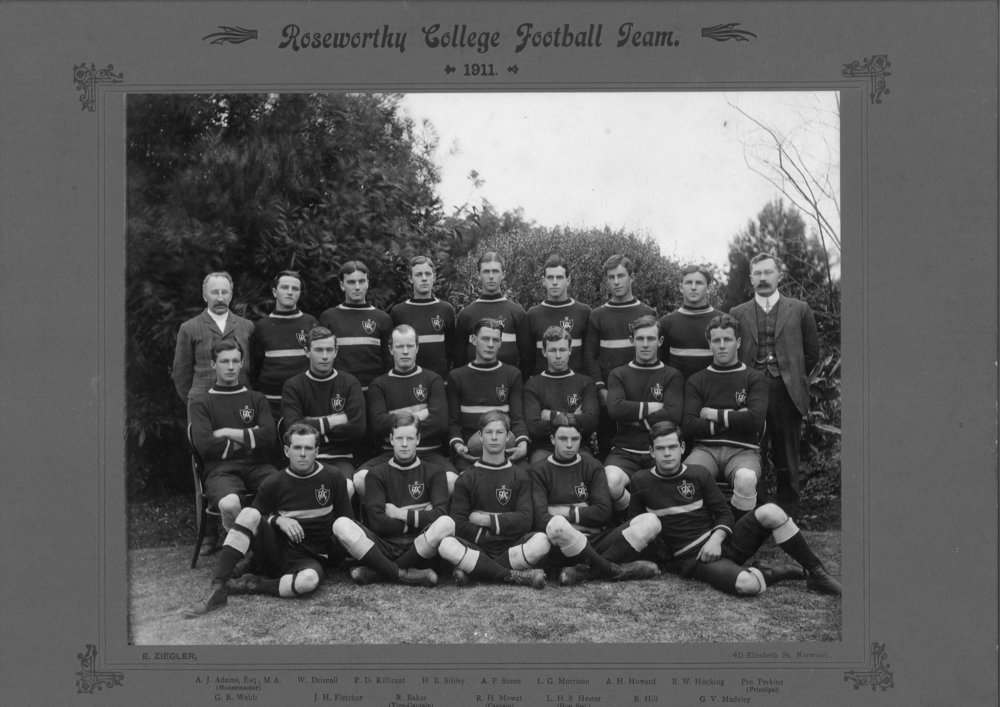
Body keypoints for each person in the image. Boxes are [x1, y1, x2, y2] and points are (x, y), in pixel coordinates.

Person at [628, 421, 841, 596]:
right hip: (697, 558)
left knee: (771, 511)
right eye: (660, 448)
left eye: (672, 447)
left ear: (682, 448)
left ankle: (817, 573)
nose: (667, 453)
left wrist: (716, 539)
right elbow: (636, 525)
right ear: (651, 451)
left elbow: (724, 514)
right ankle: (771, 573)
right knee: (748, 586)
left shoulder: (698, 473)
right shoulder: (641, 480)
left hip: (722, 543)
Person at [182, 423, 353, 617]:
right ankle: (218, 588)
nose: (302, 454)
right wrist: (277, 520)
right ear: (287, 451)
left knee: (308, 582)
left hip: (309, 560)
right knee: (249, 513)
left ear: (317, 451)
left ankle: (254, 584)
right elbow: (255, 518)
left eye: (308, 448)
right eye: (297, 447)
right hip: (275, 552)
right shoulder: (274, 482)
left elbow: (347, 521)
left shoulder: (333, 477)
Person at [728, 253, 820, 515]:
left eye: (768, 272)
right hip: (750, 392)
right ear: (751, 278)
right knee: (751, 455)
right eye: (757, 273)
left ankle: (788, 518)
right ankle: (757, 517)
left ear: (780, 275)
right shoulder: (737, 313)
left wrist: (796, 380)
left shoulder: (799, 310)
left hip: (786, 392)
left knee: (788, 457)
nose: (763, 278)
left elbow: (812, 355)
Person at [529, 413, 661, 586]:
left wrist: (567, 512)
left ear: (580, 438)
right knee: (557, 525)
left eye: (575, 439)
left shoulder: (592, 466)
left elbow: (603, 513)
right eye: (563, 439)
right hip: (562, 546)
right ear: (553, 439)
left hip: (596, 541)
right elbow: (542, 520)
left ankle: (586, 572)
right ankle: (613, 570)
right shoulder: (539, 471)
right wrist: (584, 519)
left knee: (651, 522)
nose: (569, 445)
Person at [332, 413, 453, 587]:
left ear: (418, 439)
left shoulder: (435, 472)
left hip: (419, 545)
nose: (404, 444)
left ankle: (380, 572)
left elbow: (441, 514)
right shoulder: (376, 474)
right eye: (399, 438)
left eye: (409, 438)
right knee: (341, 524)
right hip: (383, 545)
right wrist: (420, 515)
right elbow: (377, 524)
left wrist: (400, 514)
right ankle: (402, 574)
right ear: (391, 439)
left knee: (447, 523)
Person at [438, 411, 549, 588]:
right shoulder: (466, 478)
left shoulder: (520, 475)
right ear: (480, 436)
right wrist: (499, 529)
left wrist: (486, 520)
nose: (494, 437)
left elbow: (525, 520)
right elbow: (459, 524)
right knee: (446, 545)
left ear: (508, 436)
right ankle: (515, 576)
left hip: (510, 545)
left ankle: (475, 571)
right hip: (478, 546)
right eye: (489, 432)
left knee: (542, 541)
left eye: (500, 432)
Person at [188, 340, 279, 539]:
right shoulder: (201, 403)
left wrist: (225, 432)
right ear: (213, 364)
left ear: (242, 363)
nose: (230, 367)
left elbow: (269, 438)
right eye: (224, 361)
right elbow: (206, 446)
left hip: (258, 466)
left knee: (284, 489)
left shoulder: (256, 398)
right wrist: (250, 438)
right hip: (220, 470)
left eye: (235, 361)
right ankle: (244, 549)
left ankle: (272, 546)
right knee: (229, 505)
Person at [356, 325, 457, 500]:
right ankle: (382, 515)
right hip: (390, 454)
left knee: (451, 481)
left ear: (417, 348)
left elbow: (440, 423)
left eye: (409, 346)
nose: (405, 351)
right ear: (390, 349)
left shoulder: (432, 379)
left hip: (429, 453)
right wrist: (421, 415)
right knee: (360, 479)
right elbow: (378, 425)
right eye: (399, 346)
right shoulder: (379, 384)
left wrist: (395, 422)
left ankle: (431, 514)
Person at [683, 315, 769, 519]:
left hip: (744, 451)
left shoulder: (754, 378)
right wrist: (735, 417)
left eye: (727, 340)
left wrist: (713, 414)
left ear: (738, 342)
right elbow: (689, 424)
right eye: (716, 340)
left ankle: (738, 533)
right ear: (709, 344)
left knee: (746, 479)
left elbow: (755, 421)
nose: (722, 345)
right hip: (705, 449)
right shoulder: (697, 380)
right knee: (688, 476)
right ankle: (701, 532)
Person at [604, 315, 684, 513]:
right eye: (640, 338)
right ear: (632, 340)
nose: (645, 344)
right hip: (625, 450)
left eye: (651, 338)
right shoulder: (619, 374)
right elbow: (615, 409)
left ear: (660, 341)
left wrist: (633, 418)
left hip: (660, 450)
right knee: (609, 482)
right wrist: (653, 407)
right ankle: (632, 516)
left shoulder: (672, 375)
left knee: (668, 493)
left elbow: (673, 415)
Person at [582, 254, 656, 458]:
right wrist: (601, 390)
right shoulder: (598, 315)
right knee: (608, 452)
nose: (616, 282)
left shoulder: (646, 312)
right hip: (608, 397)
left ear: (632, 277)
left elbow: (653, 356)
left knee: (644, 450)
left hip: (640, 396)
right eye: (611, 277)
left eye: (621, 276)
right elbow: (590, 356)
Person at [280, 327, 365, 491]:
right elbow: (292, 428)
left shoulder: (349, 383)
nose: (325, 356)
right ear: (307, 352)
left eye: (329, 350)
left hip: (340, 458)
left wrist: (310, 426)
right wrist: (333, 421)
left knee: (346, 488)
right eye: (319, 350)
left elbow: (357, 429)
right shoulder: (293, 386)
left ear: (336, 351)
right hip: (303, 457)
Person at [446, 318, 530, 471]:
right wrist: (458, 446)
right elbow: (453, 422)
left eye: (495, 340)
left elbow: (517, 418)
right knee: (467, 480)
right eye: (485, 339)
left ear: (500, 343)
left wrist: (522, 445)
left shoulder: (512, 374)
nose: (490, 344)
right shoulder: (457, 377)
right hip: (470, 452)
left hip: (504, 450)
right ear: (473, 340)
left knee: (527, 475)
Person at [172, 271, 255, 411]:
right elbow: (181, 373)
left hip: (241, 403)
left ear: (231, 296)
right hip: (202, 405)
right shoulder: (189, 328)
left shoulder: (247, 326)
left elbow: (253, 369)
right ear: (205, 296)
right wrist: (196, 401)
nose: (220, 298)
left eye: (225, 292)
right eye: (215, 292)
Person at [523, 326, 599, 464]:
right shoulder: (533, 384)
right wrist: (574, 418)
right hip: (544, 448)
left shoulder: (585, 383)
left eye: (562, 350)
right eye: (552, 350)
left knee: (593, 467)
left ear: (570, 350)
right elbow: (533, 426)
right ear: (544, 352)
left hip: (578, 448)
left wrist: (553, 415)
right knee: (537, 468)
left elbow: (591, 421)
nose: (558, 356)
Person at [249, 270, 318, 419]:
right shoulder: (262, 326)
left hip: (305, 402)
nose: (290, 292)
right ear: (275, 292)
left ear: (300, 293)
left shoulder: (310, 322)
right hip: (271, 403)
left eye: (295, 289)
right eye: (285, 287)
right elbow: (255, 367)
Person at [453, 252, 532, 377]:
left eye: (495, 271)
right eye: (486, 271)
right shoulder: (466, 315)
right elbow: (459, 361)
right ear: (478, 275)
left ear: (503, 274)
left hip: (509, 385)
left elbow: (527, 359)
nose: (491, 276)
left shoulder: (517, 313)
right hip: (474, 384)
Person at [318, 260, 392, 391]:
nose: (357, 287)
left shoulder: (383, 319)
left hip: (373, 393)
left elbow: (389, 362)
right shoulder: (328, 317)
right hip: (338, 392)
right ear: (342, 285)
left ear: (367, 283)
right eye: (351, 282)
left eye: (361, 281)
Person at [388, 255, 456, 379]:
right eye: (419, 274)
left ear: (434, 277)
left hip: (439, 381)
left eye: (428, 274)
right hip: (408, 381)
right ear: (410, 279)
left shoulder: (446, 309)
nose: (424, 278)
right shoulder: (398, 312)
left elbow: (451, 350)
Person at [525, 254, 591, 376]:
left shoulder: (584, 312)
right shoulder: (532, 315)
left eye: (559, 277)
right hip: (542, 385)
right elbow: (527, 359)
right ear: (543, 281)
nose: (555, 282)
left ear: (568, 280)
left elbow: (589, 356)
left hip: (576, 385)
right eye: (550, 277)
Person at [657, 264, 724, 379]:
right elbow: (662, 365)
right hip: (677, 388)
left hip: (713, 387)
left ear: (708, 288)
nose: (693, 287)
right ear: (681, 287)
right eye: (688, 283)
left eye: (699, 283)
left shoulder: (722, 321)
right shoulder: (666, 323)